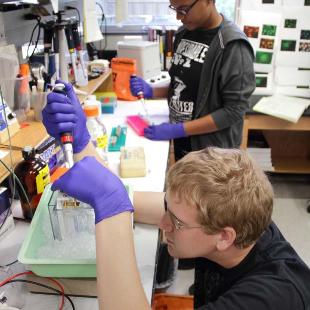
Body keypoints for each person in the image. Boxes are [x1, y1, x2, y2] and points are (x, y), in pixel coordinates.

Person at [43, 84, 310, 310]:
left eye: (176, 222)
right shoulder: (236, 217)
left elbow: (116, 204)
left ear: (224, 237)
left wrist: (111, 211)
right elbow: (124, 199)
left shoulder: (268, 298)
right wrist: (81, 144)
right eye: (167, 209)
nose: (163, 224)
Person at [130, 0, 256, 161]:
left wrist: (180, 129)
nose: (178, 17)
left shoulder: (233, 46)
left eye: (183, 10)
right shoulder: (184, 33)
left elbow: (234, 111)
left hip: (213, 153)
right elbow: (183, 83)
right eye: (175, 9)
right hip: (184, 139)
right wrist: (152, 90)